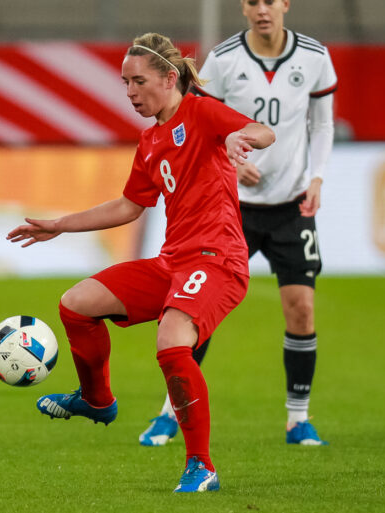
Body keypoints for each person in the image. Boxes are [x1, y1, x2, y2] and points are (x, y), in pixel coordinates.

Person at [8, 32, 274, 492]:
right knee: (76, 304)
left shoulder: (203, 111)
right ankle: (97, 401)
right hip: (173, 261)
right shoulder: (150, 140)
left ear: (170, 78)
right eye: (125, 83)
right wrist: (61, 225)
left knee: (171, 341)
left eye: (138, 82)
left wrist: (238, 137)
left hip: (218, 261)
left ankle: (202, 466)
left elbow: (264, 132)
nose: (130, 93)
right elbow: (130, 206)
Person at [139, 0, 336, 447]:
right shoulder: (224, 59)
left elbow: (321, 124)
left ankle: (298, 419)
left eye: (270, 0)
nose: (262, 9)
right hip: (229, 210)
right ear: (243, 8)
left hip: (291, 206)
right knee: (194, 312)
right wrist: (225, 158)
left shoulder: (314, 56)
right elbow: (196, 122)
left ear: (286, 4)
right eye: (252, 1)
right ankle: (171, 412)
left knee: (301, 309)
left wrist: (318, 177)